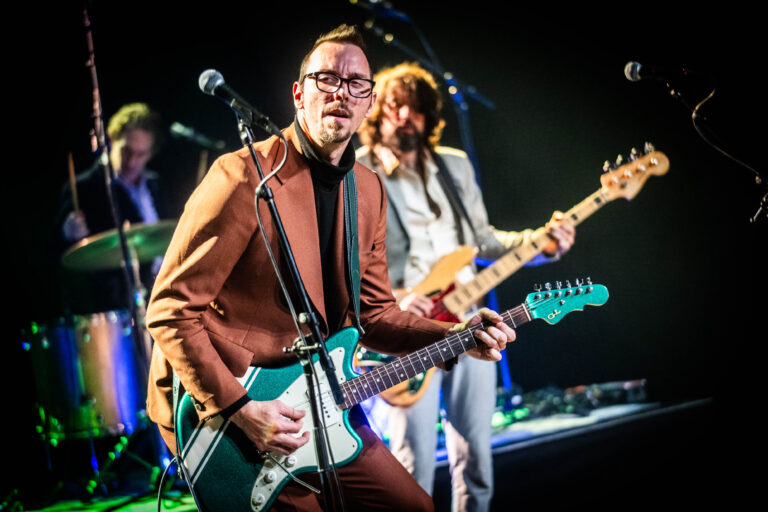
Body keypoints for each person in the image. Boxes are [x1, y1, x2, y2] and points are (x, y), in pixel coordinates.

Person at [144, 24, 516, 511]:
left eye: (355, 84)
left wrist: (458, 336)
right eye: (326, 79)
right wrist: (240, 408)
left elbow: (376, 317)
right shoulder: (240, 176)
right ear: (299, 94)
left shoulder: (368, 190)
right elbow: (170, 311)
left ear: (368, 103)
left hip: (324, 402)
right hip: (230, 410)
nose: (341, 92)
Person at [356, 62, 576, 511]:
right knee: (409, 463)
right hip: (402, 332)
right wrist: (394, 301)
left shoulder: (453, 166)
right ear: (376, 112)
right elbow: (342, 260)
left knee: (476, 455)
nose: (404, 117)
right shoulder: (358, 171)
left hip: (470, 322)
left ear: (429, 116)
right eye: (394, 106)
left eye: (415, 109)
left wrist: (544, 244)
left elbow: (485, 241)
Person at [55, 102, 168, 313]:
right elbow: (56, 250)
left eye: (141, 154)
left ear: (151, 153)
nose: (132, 161)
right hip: (120, 306)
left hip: (167, 292)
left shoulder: (155, 184)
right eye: (126, 150)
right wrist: (67, 231)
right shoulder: (85, 187)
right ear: (111, 139)